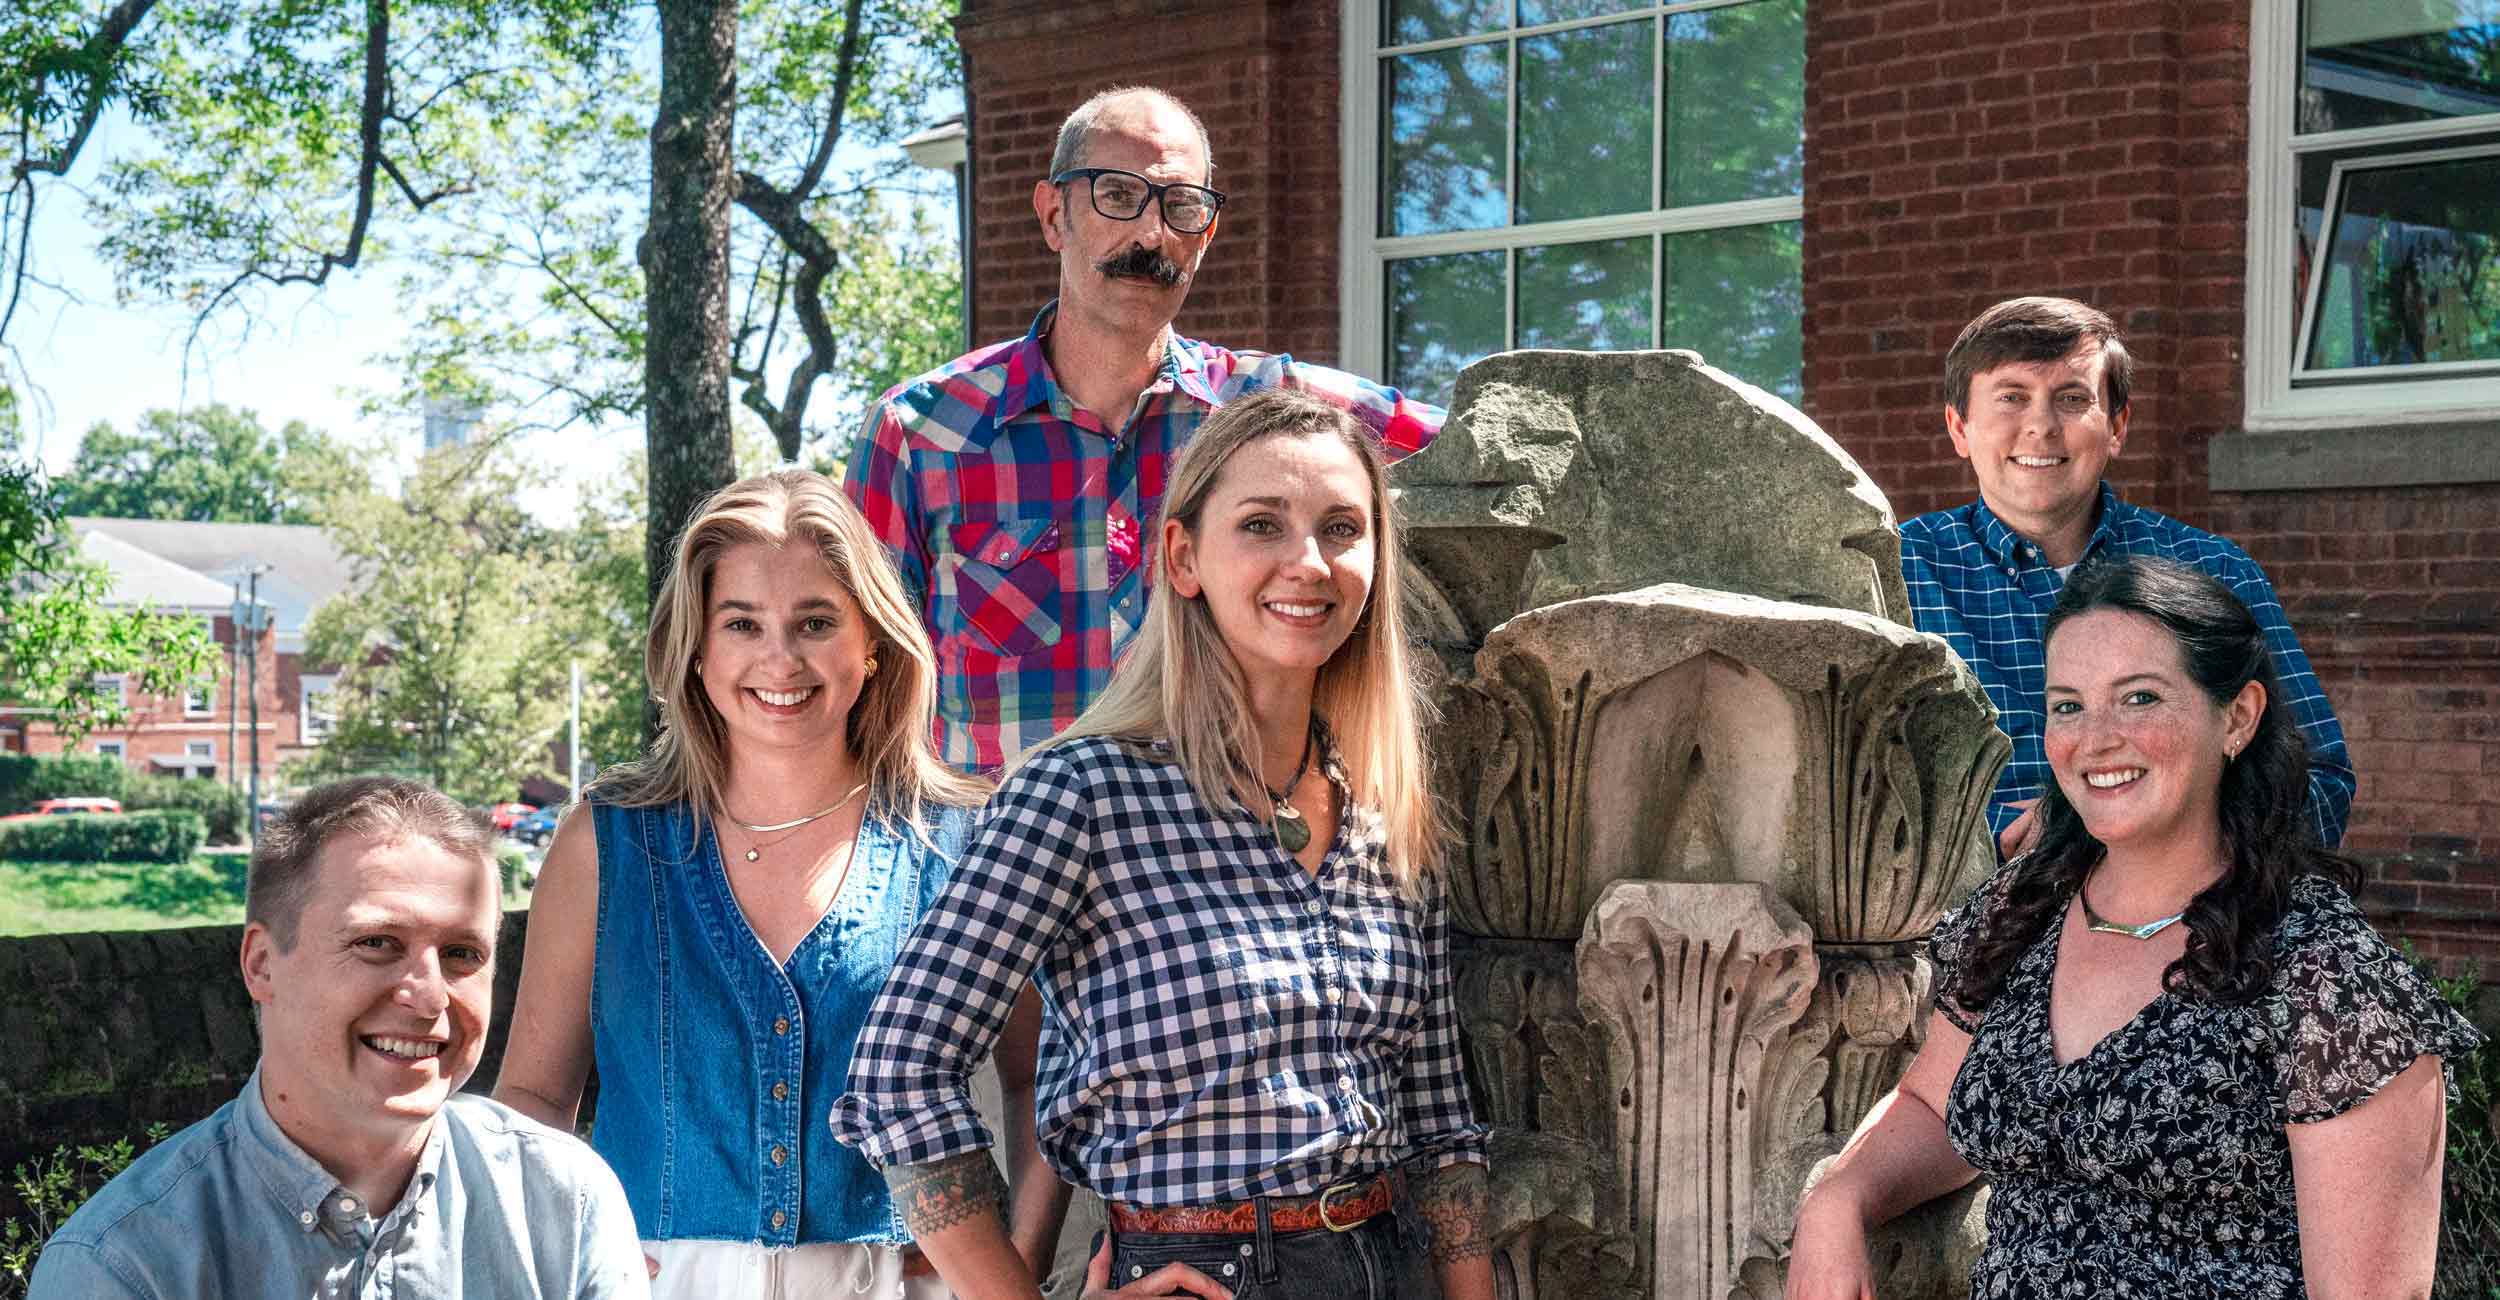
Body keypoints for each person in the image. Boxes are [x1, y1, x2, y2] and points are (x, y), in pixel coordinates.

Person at [833, 389, 1495, 1299]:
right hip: (1203, 1274)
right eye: (1262, 524)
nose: (1308, 562)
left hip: (1392, 1265)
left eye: (1342, 528)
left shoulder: (1388, 811)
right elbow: (898, 1073)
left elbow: (1441, 1125)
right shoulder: (1081, 795)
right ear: (1183, 559)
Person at [1787, 555, 2482, 1299]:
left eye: (2139, 698)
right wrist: (1840, 1196)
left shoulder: (2328, 981)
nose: (2095, 740)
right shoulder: (2026, 910)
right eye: (2068, 706)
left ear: (2238, 717)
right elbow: (1933, 1104)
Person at [494, 470, 1035, 1299]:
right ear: (699, 649)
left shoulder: (964, 840)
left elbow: (1035, 1082)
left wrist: (1010, 1272)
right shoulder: (606, 843)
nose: (780, 658)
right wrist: (553, 1251)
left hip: (903, 1282)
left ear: (873, 646)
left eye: (816, 623)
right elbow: (533, 1095)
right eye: (742, 623)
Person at [845, 84, 1445, 773]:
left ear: (1207, 235)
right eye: (1117, 195)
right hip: (998, 863)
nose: (1151, 234)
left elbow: (1478, 444)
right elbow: (856, 687)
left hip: (1217, 863)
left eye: (1181, 206)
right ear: (1052, 215)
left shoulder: (1267, 412)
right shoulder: (922, 436)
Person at [30, 777, 649, 1300]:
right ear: (262, 964)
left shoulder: (561, 1202)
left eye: (462, 954)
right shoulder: (125, 1266)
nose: (430, 995)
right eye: (378, 943)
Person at [1897, 296, 2354, 860]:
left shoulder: (2215, 571)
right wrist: (1989, 837)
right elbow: (1849, 786)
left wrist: (2103, 828)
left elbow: (2322, 782)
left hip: (2194, 924)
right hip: (1967, 929)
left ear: (2116, 426)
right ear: (1959, 427)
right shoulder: (1895, 573)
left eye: (2071, 399)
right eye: (2012, 398)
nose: (2040, 426)